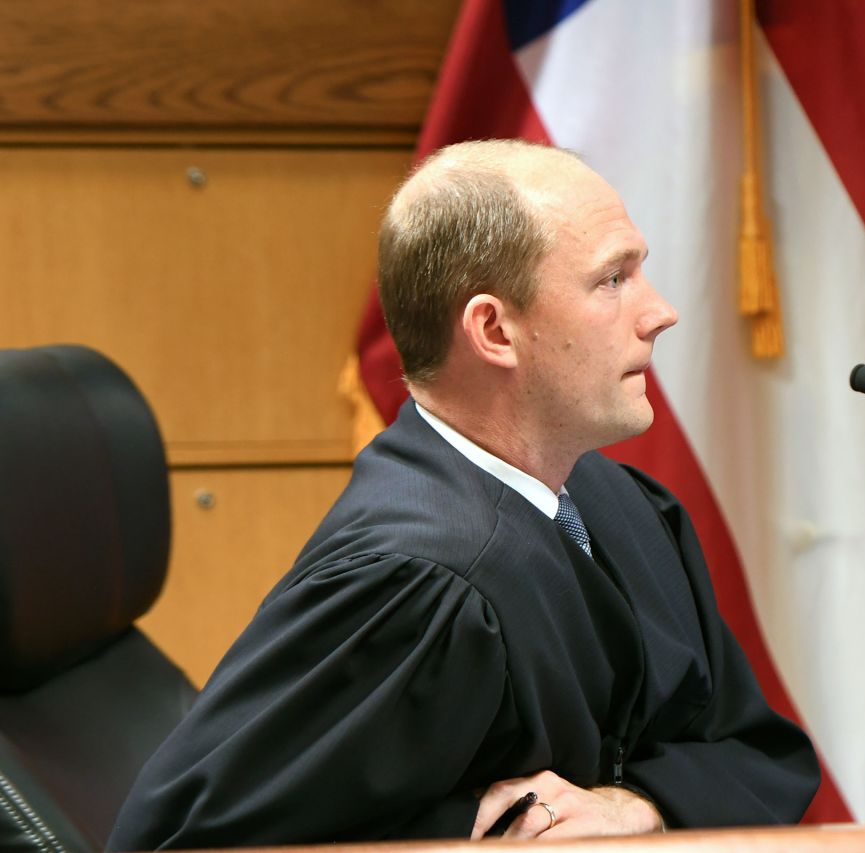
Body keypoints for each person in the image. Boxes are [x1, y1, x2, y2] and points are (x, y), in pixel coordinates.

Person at [108, 139, 820, 849]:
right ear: (493, 330)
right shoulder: (416, 585)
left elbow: (759, 753)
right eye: (613, 280)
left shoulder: (620, 505)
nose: (659, 312)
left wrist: (636, 803)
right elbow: (176, 840)